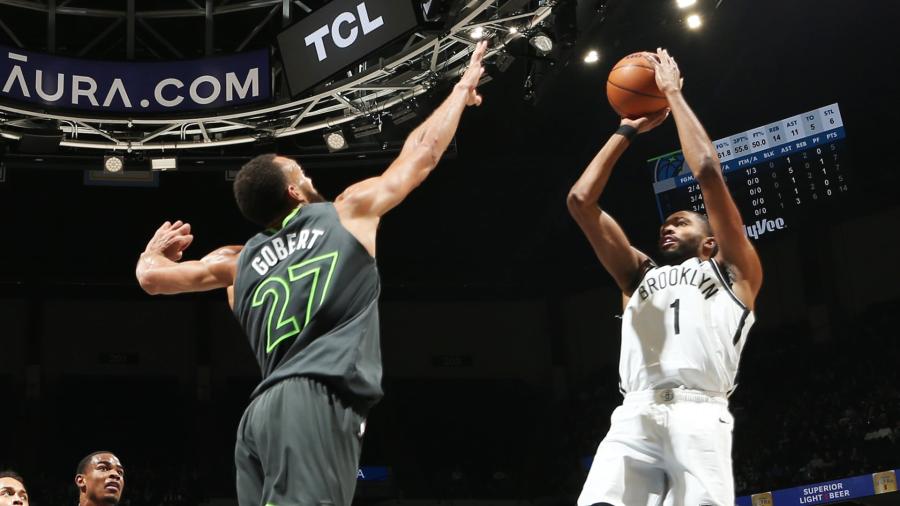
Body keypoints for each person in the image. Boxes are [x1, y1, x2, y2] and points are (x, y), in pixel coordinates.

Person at [134, 41, 489, 506]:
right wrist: (461, 88)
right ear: (294, 190)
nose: (309, 178)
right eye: (302, 173)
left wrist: (153, 250)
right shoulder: (347, 212)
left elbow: (151, 278)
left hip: (259, 415)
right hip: (314, 401)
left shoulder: (235, 262)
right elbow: (420, 153)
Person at [567, 48, 763, 506]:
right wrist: (626, 130)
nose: (667, 226)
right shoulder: (639, 276)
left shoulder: (734, 272)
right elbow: (580, 201)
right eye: (665, 224)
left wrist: (672, 94)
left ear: (710, 241)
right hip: (635, 412)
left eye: (681, 221)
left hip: (700, 411)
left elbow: (709, 172)